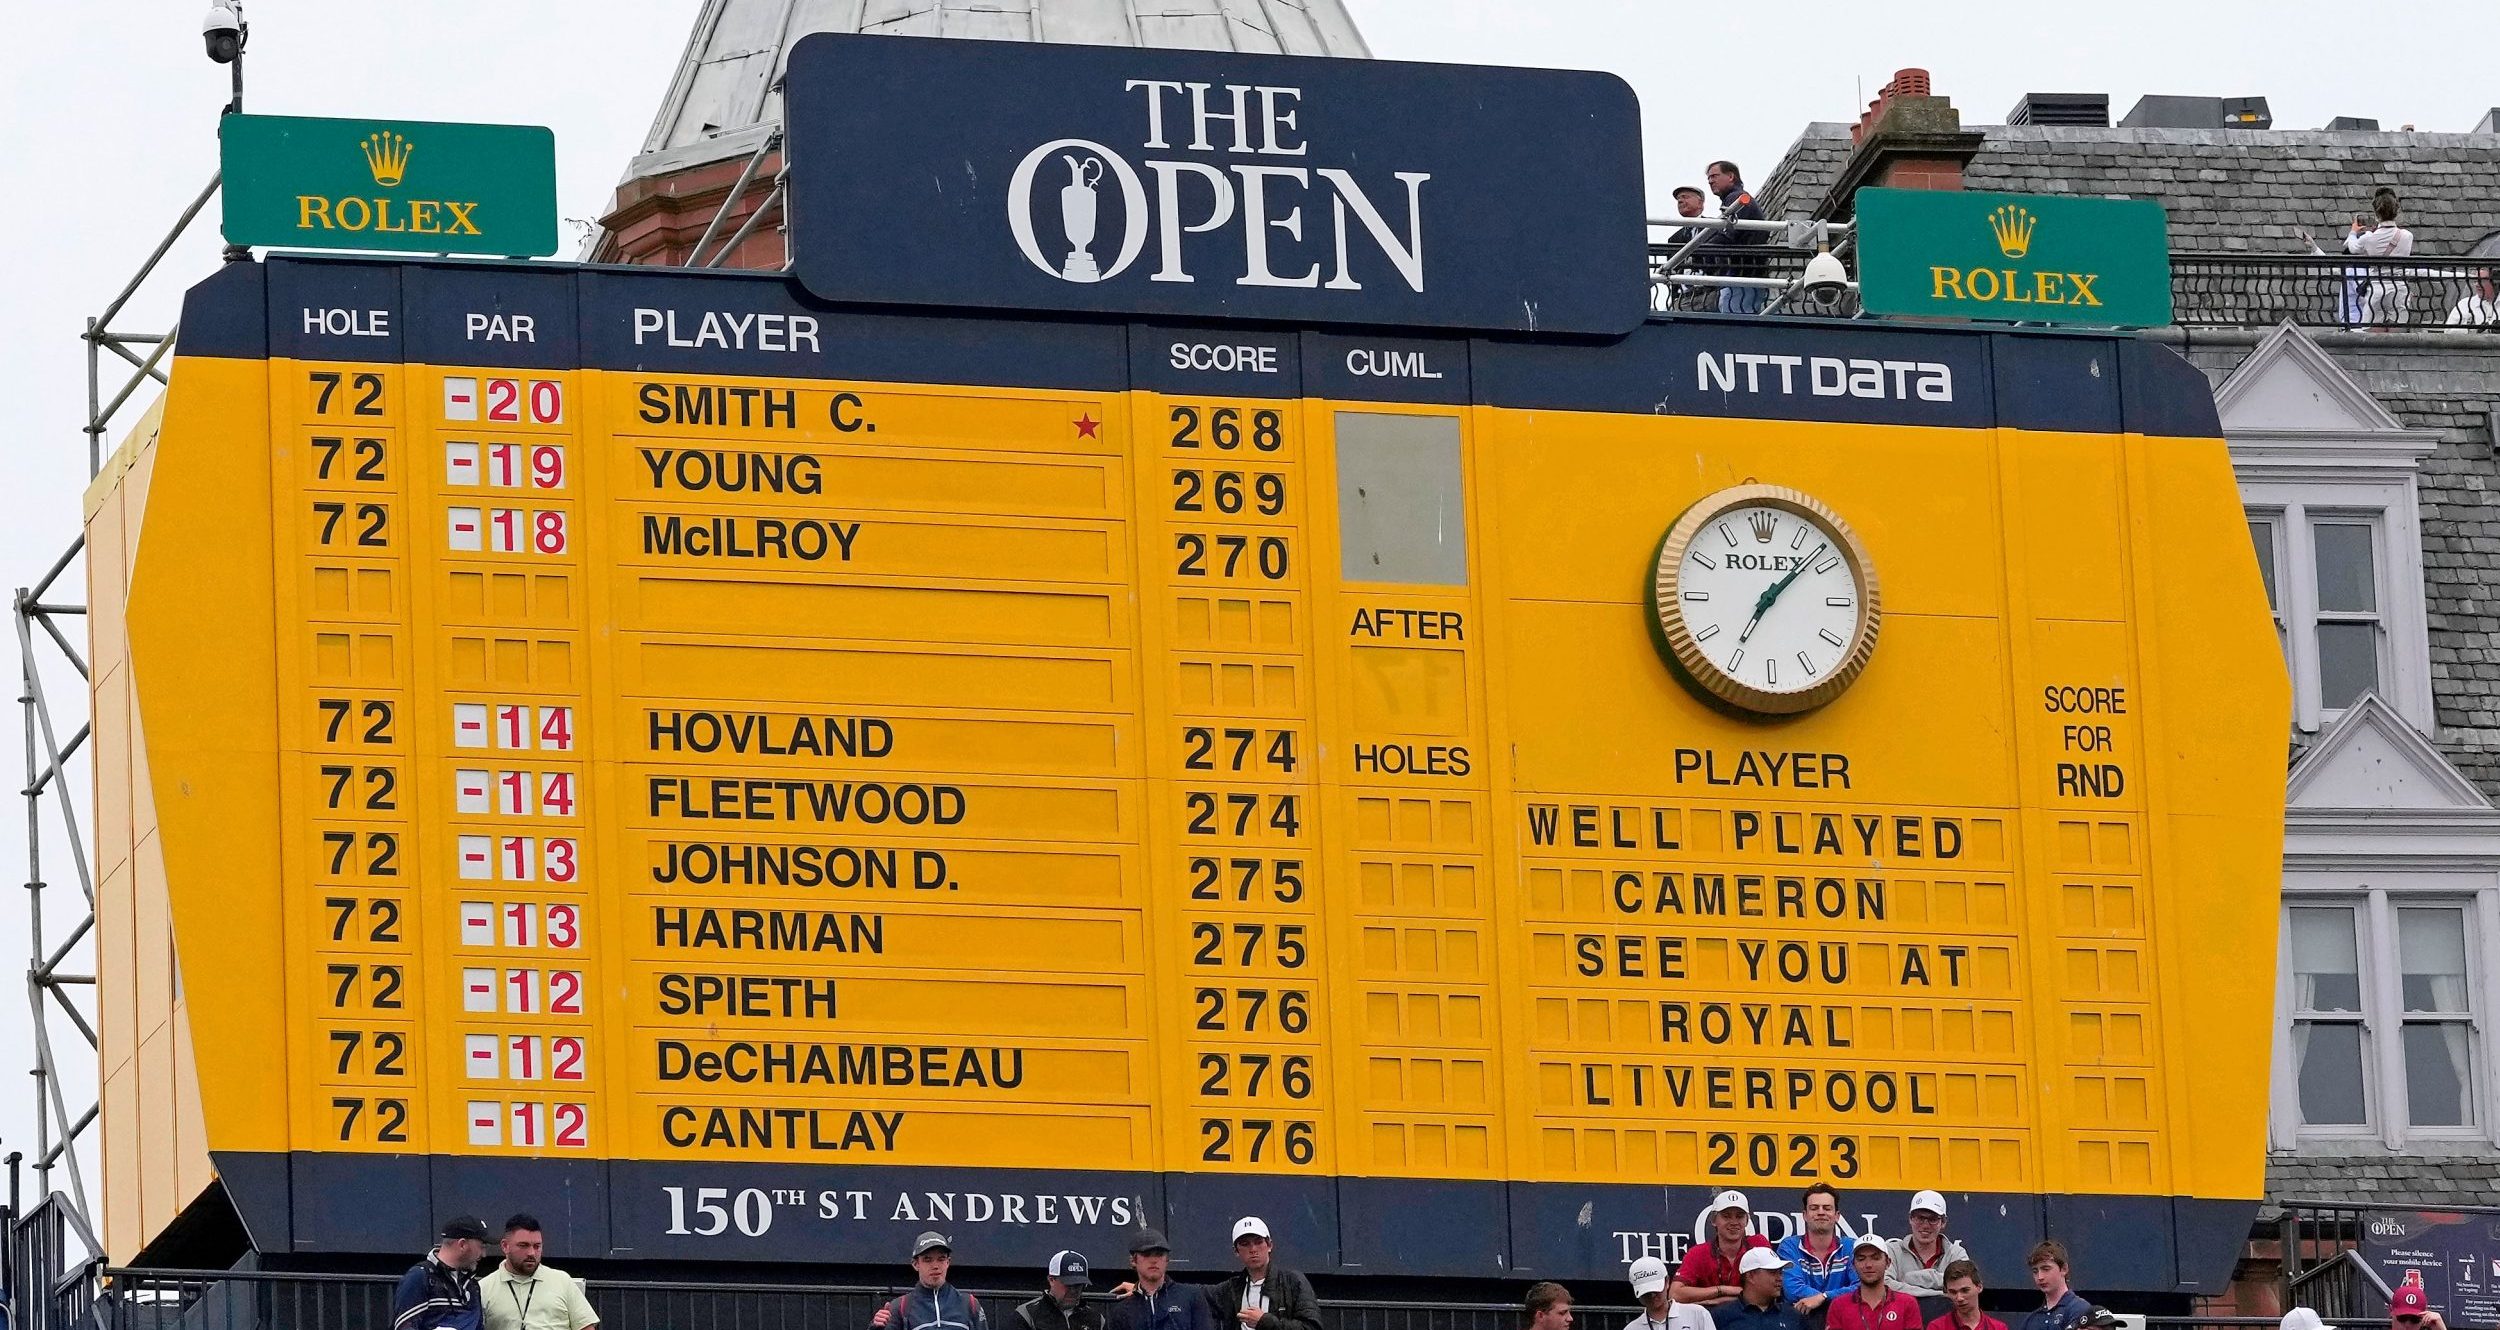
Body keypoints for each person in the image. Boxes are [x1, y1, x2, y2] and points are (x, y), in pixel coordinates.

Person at [479, 1214, 598, 1330]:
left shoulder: (562, 1281)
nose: (531, 1253)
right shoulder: (484, 1288)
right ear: (505, 1246)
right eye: (523, 1245)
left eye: (537, 1246)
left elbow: (586, 1326)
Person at [1212, 1217, 1323, 1330]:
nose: (1253, 1249)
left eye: (1258, 1242)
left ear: (1269, 1245)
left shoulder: (1293, 1281)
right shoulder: (1231, 1288)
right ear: (1236, 1251)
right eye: (1245, 1244)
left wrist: (1264, 1321)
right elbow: (1197, 1293)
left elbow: (1312, 1327)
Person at [872, 1232, 989, 1330]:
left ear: (948, 1262)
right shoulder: (900, 1307)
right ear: (916, 1264)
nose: (935, 1266)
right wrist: (875, 1327)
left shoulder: (969, 1304)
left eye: (941, 1259)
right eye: (928, 1260)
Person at [1676, 1190, 1772, 1306]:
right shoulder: (1698, 1253)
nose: (1734, 1222)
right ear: (1713, 1220)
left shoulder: (1758, 1243)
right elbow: (1675, 1294)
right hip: (1711, 1319)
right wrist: (1722, 1290)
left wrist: (1716, 1301)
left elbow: (1770, 1291)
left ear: (1747, 1220)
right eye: (1726, 1216)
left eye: (1739, 1216)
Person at [1776, 1184, 1854, 1327]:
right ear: (1804, 1215)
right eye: (1814, 1208)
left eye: (1827, 1208)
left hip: (1843, 1322)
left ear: (1837, 1216)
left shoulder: (1851, 1247)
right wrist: (1832, 1298)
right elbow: (1792, 1289)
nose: (1821, 1212)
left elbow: (1861, 1287)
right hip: (1801, 1322)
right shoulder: (1789, 1246)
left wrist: (1823, 1297)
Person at [393, 1216, 489, 1330]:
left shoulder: (472, 1285)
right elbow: (404, 1327)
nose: (484, 1254)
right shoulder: (420, 1277)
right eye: (481, 1247)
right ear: (462, 1244)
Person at [1107, 1229, 1216, 1330]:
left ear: (1167, 1259)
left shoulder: (1191, 1296)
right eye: (1147, 1254)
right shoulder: (1121, 1310)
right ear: (1133, 1260)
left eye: (1159, 1254)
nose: (1154, 1260)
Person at [1706, 160, 1768, 314]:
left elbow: (1727, 235)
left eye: (1714, 176)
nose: (1710, 181)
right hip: (1746, 273)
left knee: (1735, 321)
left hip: (1743, 275)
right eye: (1708, 178)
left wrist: (1699, 250)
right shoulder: (1736, 198)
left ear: (1731, 176)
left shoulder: (1737, 199)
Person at [1884, 1192, 1968, 1298]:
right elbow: (1885, 1285)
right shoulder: (1892, 1250)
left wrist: (1912, 1278)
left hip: (1943, 1313)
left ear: (1943, 1222)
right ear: (1910, 1219)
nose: (1925, 1225)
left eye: (1932, 1219)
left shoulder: (1956, 1253)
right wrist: (1939, 1294)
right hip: (1902, 1314)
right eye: (1919, 1218)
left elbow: (1963, 1284)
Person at [1826, 1236, 1921, 1330]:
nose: (1868, 1265)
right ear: (1853, 1265)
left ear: (1888, 1262)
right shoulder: (1839, 1305)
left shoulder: (1907, 1303)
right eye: (1861, 1259)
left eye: (1875, 1258)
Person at [1713, 1249, 1804, 1330]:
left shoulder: (1792, 1315)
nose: (1779, 1278)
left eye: (1780, 1273)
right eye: (1772, 1272)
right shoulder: (1721, 1316)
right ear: (1750, 1276)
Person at [1017, 1252, 1105, 1330]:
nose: (1073, 1290)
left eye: (1078, 1285)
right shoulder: (1027, 1315)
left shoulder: (1096, 1319)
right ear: (1051, 1280)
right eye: (1068, 1285)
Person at [2018, 1242, 2090, 1330]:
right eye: (2035, 1271)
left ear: (2064, 1269)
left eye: (2046, 1269)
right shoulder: (2031, 1320)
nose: (2040, 1277)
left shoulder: (2080, 1309)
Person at [1928, 1262, 2006, 1330]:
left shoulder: (1998, 1328)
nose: (1959, 1298)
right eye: (1953, 1292)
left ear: (1979, 1287)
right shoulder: (1936, 1327)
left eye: (1965, 1290)